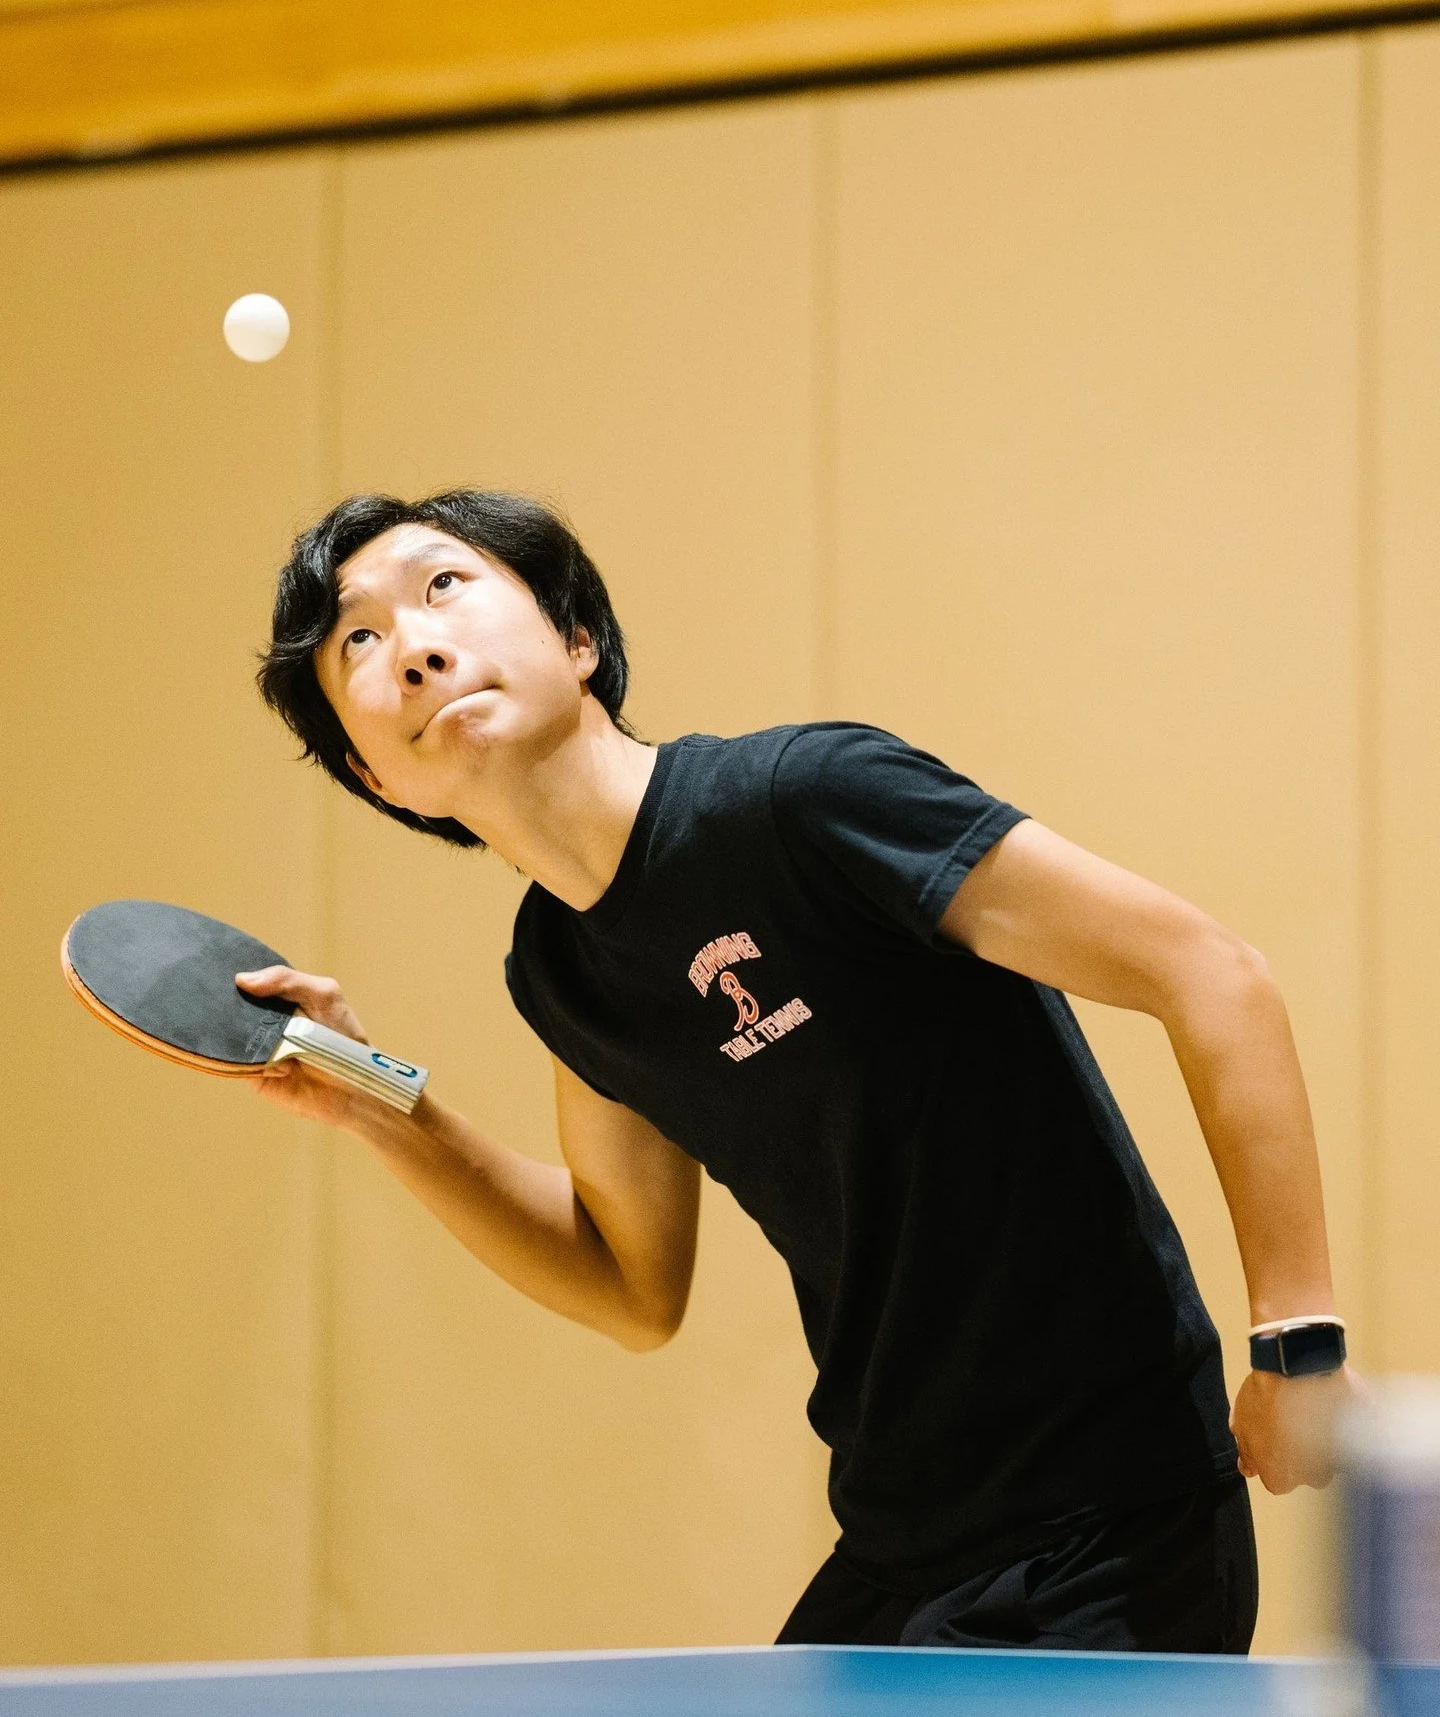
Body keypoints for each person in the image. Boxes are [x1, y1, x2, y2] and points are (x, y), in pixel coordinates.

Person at [242, 488, 1358, 1654]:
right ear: (381, 780)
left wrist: (1300, 1345)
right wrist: (376, 1101)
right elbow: (629, 1280)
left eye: (442, 586)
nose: (412, 646)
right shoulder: (562, 967)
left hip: (1109, 1523)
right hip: (903, 1538)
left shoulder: (803, 801)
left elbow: (1213, 974)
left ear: (577, 637)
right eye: (356, 641)